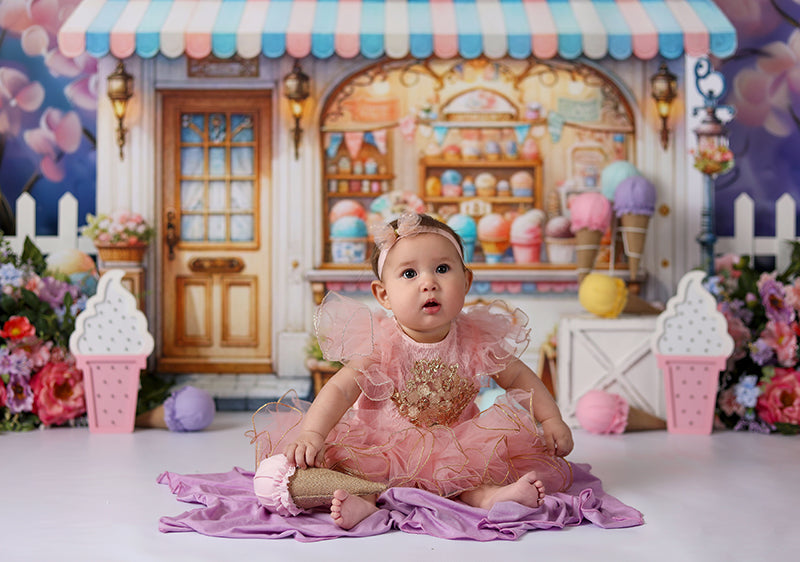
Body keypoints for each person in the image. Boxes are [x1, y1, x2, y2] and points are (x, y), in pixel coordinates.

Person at [251, 212, 574, 530]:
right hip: (382, 446)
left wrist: (550, 419)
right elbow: (340, 389)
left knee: (475, 471)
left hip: (457, 448)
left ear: (467, 280)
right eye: (409, 274)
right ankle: (363, 500)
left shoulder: (476, 339)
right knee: (351, 468)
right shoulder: (379, 344)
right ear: (384, 294)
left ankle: (490, 496)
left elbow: (519, 377)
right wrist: (313, 433)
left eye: (443, 269)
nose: (429, 283)